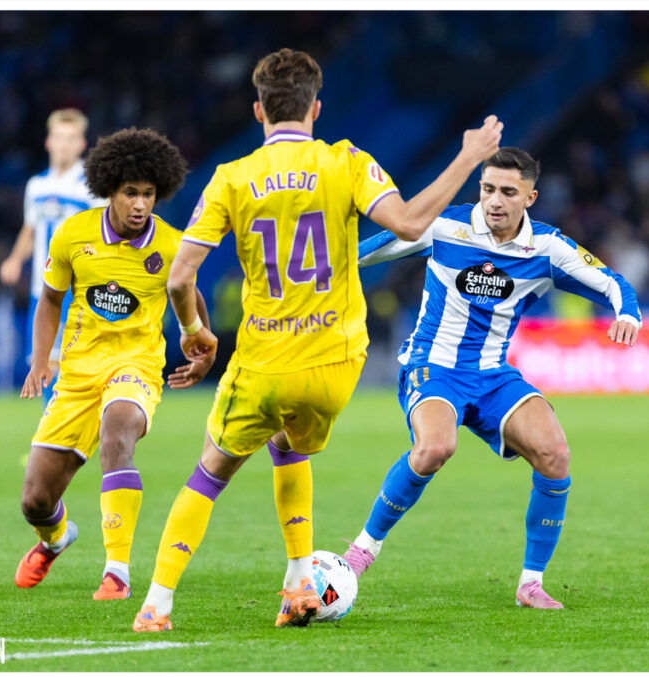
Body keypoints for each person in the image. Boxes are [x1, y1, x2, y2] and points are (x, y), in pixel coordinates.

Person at [132, 47, 502, 632]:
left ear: (258, 111)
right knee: (290, 447)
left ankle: (156, 604)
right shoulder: (346, 162)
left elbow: (179, 278)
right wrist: (468, 156)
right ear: (316, 109)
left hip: (263, 363)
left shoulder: (232, 178)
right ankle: (301, 583)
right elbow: (410, 224)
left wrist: (194, 333)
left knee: (210, 473)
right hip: (334, 366)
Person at [341, 147, 642, 609]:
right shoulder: (445, 226)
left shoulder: (547, 247)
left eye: (508, 192)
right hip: (433, 365)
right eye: (487, 189)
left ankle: (531, 584)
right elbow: (362, 254)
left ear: (530, 197)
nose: (495, 201)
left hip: (492, 375)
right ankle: (362, 551)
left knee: (555, 454)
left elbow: (610, 282)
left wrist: (627, 314)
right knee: (435, 448)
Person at [14, 127, 214, 602]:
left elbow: (189, 294)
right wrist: (41, 361)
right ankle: (56, 538)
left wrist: (201, 348)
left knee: (119, 429)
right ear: (109, 190)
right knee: (36, 500)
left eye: (148, 194)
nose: (140, 204)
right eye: (130, 193)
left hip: (136, 366)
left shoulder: (171, 245)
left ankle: (117, 572)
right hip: (78, 372)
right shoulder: (73, 235)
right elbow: (49, 299)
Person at [0, 108, 105, 403]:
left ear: (82, 144)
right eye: (59, 137)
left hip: (76, 290)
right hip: (41, 289)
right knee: (42, 364)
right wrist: (15, 259)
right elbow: (30, 230)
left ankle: (67, 429)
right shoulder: (37, 185)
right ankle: (52, 429)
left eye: (71, 138)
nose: (64, 145)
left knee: (70, 367)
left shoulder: (92, 185)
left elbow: (102, 233)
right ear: (48, 142)